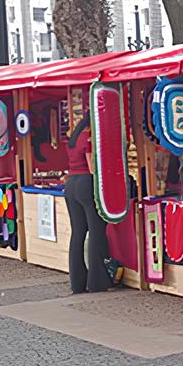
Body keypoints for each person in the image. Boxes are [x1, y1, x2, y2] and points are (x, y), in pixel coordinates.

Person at [64, 116, 111, 294]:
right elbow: (92, 168)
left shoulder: (74, 138)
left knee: (78, 233)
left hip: (72, 184)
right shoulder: (90, 138)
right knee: (96, 231)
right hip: (86, 183)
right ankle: (96, 281)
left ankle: (77, 282)